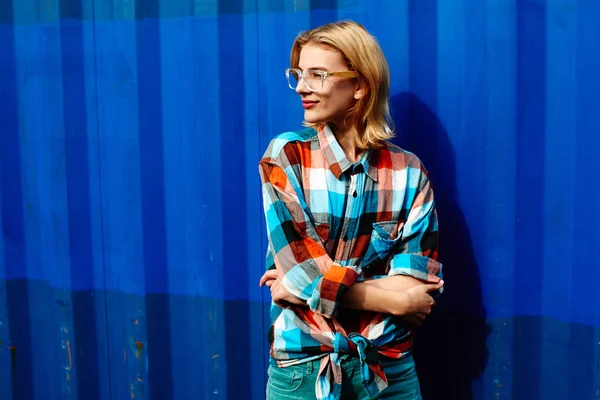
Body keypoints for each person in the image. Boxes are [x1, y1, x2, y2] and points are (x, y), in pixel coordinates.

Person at [258, 20, 444, 400]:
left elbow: (416, 281)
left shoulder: (409, 172)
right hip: (304, 372)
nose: (302, 87)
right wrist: (395, 299)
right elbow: (302, 273)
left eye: (317, 74)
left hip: (388, 370)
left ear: (360, 86)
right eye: (298, 74)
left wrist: (302, 286)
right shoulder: (286, 156)